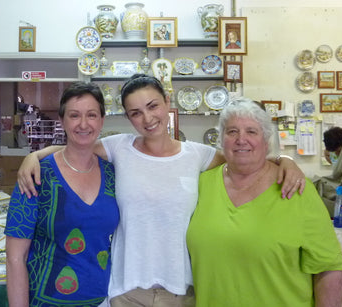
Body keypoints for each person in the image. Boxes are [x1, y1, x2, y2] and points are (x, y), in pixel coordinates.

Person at [17, 74, 305, 306]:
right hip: (126, 289)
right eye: (136, 113)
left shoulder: (199, 155)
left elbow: (246, 162)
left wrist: (285, 160)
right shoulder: (119, 147)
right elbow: (75, 147)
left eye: (153, 106)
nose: (147, 118)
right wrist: (34, 156)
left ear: (167, 103)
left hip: (181, 290)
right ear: (129, 118)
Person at [186, 98, 342, 307]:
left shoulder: (297, 188)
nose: (241, 139)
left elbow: (329, 271)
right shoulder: (200, 185)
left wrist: (285, 159)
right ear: (221, 140)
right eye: (232, 131)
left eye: (251, 131)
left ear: (266, 141)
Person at [5, 82, 119, 307]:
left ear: (102, 120)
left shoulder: (112, 173)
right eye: (74, 115)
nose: (84, 124)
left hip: (105, 299)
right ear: (62, 120)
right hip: (47, 300)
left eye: (92, 115)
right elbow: (15, 258)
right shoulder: (36, 176)